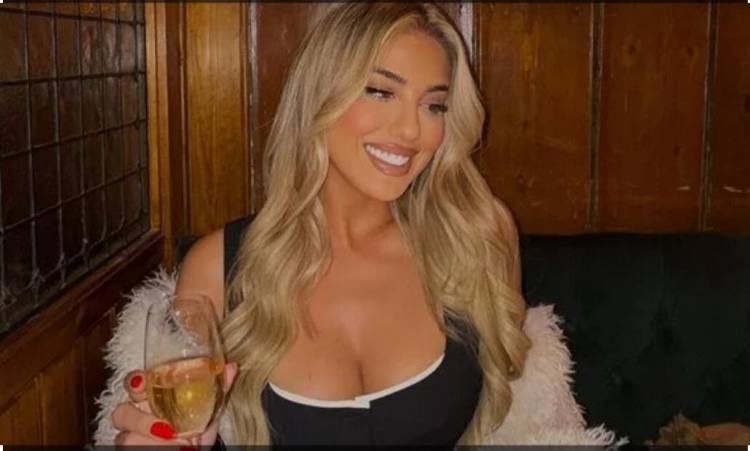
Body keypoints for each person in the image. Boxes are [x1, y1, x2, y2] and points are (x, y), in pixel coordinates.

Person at [109, 2, 532, 446]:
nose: (412, 130)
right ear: (319, 95)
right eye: (380, 92)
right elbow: (189, 429)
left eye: (434, 105)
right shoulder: (217, 267)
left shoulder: (479, 235)